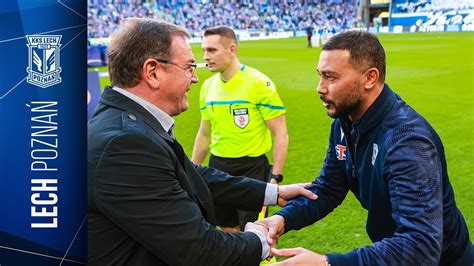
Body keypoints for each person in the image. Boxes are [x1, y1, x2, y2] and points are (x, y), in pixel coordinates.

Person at [87, 18, 317, 265]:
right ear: (152, 72)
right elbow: (200, 251)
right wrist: (259, 238)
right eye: (188, 67)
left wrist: (272, 192)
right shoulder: (126, 145)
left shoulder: (125, 123)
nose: (195, 78)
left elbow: (188, 173)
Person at [258, 31, 473, 265]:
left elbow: (420, 246)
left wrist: (327, 263)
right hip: (392, 252)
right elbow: (329, 188)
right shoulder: (344, 123)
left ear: (370, 78)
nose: (320, 88)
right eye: (320, 76)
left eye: (331, 78)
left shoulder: (407, 142)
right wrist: (282, 219)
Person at [192, 26, 289, 232]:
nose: (205, 56)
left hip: (251, 169)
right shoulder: (207, 87)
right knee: (227, 231)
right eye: (203, 50)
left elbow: (280, 132)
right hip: (217, 168)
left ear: (232, 49)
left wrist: (276, 177)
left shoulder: (259, 83)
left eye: (211, 50)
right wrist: (191, 171)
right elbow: (204, 133)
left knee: (255, 233)